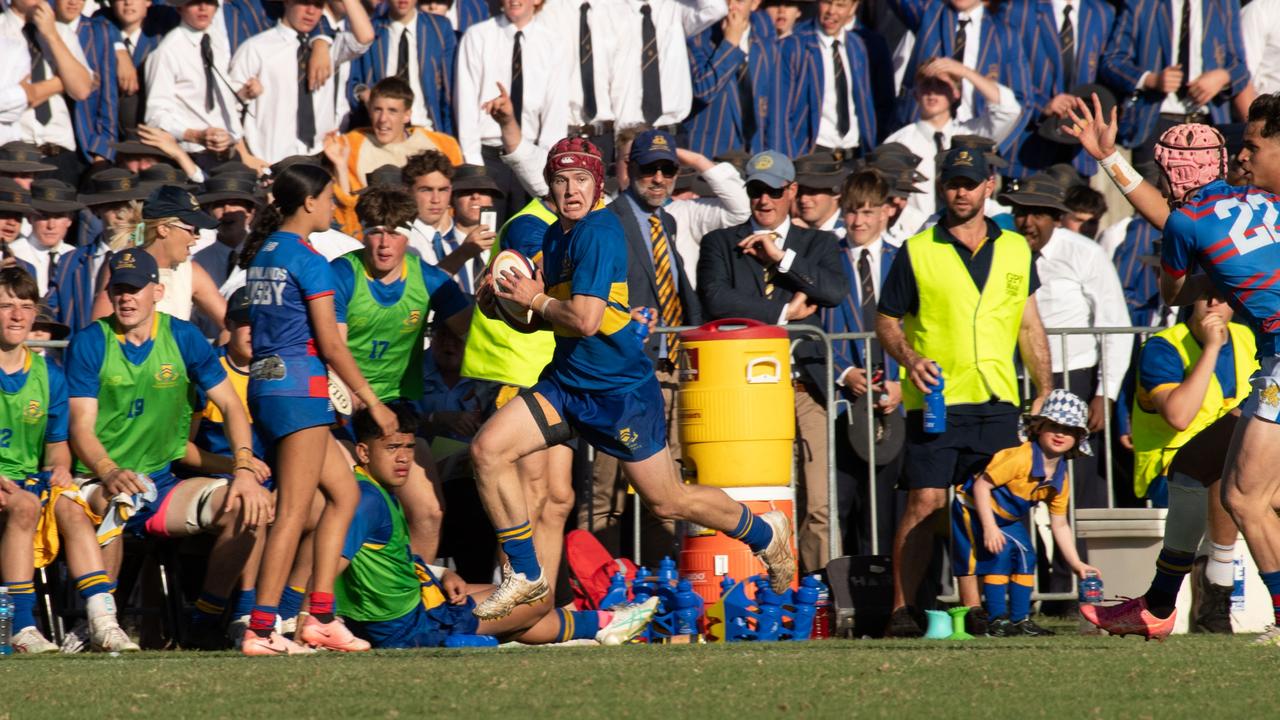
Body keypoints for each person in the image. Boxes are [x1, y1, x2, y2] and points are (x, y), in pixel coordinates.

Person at [473, 137, 796, 620]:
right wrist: (504, 307)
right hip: (567, 385)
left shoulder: (599, 232)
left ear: (598, 184)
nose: (570, 190)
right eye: (560, 180)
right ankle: (524, 571)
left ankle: (766, 532)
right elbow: (550, 319)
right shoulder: (556, 235)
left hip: (620, 393)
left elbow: (582, 319)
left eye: (581, 179)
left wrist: (532, 299)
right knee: (487, 450)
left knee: (668, 502)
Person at [1066, 96, 1280, 644]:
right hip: (1273, 363)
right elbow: (1180, 217)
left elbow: (1178, 278)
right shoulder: (1253, 198)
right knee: (1193, 466)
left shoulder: (1236, 203)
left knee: (1245, 499)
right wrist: (1111, 159)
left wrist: (1202, 276)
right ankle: (1159, 606)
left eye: (1252, 145)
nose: (1243, 154)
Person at [874, 146, 1052, 637]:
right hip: (937, 400)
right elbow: (886, 320)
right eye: (953, 181)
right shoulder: (917, 249)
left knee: (997, 507)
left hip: (997, 399)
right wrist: (909, 360)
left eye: (970, 182)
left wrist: (1045, 389)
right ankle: (902, 609)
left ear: (988, 186)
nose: (961, 191)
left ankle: (994, 612)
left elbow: (1030, 325)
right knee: (926, 502)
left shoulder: (1017, 248)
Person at [65, 247, 273, 649]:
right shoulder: (91, 342)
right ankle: (101, 623)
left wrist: (243, 469)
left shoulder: (182, 336)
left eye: (135, 288)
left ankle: (210, 618)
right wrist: (109, 471)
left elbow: (230, 405)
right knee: (115, 501)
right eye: (118, 289)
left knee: (250, 502)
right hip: (97, 479)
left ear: (157, 291)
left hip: (162, 485)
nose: (125, 297)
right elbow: (81, 429)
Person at [238, 161, 397, 655]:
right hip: (300, 392)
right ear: (308, 202)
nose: (334, 206)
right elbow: (331, 345)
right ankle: (261, 628)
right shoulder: (310, 260)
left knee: (345, 496)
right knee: (292, 512)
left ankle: (320, 617)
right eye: (330, 198)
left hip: (267, 388)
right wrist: (373, 403)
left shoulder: (264, 251)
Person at [336, 403, 660, 647]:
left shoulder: (372, 491)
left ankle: (604, 626)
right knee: (531, 601)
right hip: (414, 625)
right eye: (392, 448)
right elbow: (333, 562)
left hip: (416, 604)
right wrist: (315, 616)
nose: (404, 458)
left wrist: (442, 573)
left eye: (408, 447)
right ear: (363, 451)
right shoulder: (369, 501)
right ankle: (601, 624)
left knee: (510, 598)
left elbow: (389, 561)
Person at [698, 150, 848, 573]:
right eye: (755, 191)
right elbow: (715, 300)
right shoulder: (720, 243)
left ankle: (818, 600)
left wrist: (781, 259)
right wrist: (785, 315)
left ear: (792, 191)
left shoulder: (819, 244)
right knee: (752, 496)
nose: (764, 200)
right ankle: (759, 595)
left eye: (774, 191)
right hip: (744, 393)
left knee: (819, 501)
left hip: (806, 385)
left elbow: (835, 292)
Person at [1083, 292, 1257, 639]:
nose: (1212, 303)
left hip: (1239, 463)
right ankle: (1210, 604)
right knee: (1221, 471)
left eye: (1222, 296)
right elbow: (1179, 417)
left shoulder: (1248, 339)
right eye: (1203, 295)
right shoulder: (1163, 346)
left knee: (1232, 469)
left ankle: (1174, 602)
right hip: (1170, 470)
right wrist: (1210, 349)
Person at [332, 184, 472, 564]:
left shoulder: (427, 279)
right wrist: (359, 397)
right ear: (361, 231)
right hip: (341, 411)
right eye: (375, 230)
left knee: (429, 512)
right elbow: (335, 350)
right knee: (352, 509)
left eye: (394, 231)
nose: (384, 242)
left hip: (397, 413)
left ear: (408, 234)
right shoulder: (342, 275)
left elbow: (471, 331)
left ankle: (415, 601)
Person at [0, 267, 137, 654]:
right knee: (25, 506)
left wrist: (59, 468)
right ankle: (19, 627)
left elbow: (57, 445)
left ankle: (103, 622)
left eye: (26, 307)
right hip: (11, 489)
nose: (17, 316)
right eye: (6, 306)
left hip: (26, 483)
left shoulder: (48, 374)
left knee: (72, 505)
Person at [594, 128, 705, 562]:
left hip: (669, 370)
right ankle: (600, 590)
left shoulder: (669, 221)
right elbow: (593, 292)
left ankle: (659, 583)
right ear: (628, 169)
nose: (658, 178)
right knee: (606, 487)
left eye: (667, 170)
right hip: (622, 370)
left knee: (668, 486)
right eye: (648, 169)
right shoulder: (608, 219)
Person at [952, 389, 1101, 636]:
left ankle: (1021, 619)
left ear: (1077, 438)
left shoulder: (1061, 478)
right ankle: (997, 618)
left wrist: (1076, 563)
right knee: (998, 556)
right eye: (1054, 425)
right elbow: (981, 486)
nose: (1060, 433)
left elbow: (1060, 524)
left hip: (1006, 517)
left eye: (1069, 429)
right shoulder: (1020, 458)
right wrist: (989, 528)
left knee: (1026, 556)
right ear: (1039, 427)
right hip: (972, 507)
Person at [823, 168, 903, 557]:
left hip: (893, 406)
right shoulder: (828, 258)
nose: (859, 221)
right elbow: (816, 325)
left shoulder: (902, 259)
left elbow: (918, 327)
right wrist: (844, 371)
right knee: (842, 504)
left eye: (869, 212)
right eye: (853, 211)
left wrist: (901, 381)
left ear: (886, 212)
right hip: (842, 404)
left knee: (883, 512)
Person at [1098, 0, 1253, 168]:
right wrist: (1150, 80)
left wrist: (1222, 77)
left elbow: (1240, 66)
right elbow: (1112, 61)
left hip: (1207, 124)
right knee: (1155, 193)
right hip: (1156, 123)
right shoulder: (1141, 4)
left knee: (1206, 194)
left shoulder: (1224, 4)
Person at [456, 0, 567, 218]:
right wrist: (476, 170)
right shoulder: (478, 36)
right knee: (487, 238)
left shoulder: (553, 43)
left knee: (529, 240)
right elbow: (466, 105)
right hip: (489, 158)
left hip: (531, 157)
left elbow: (555, 111)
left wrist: (546, 168)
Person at [229, 0, 374, 164]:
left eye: (318, 5)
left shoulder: (329, 47)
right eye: (305, 2)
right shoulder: (256, 48)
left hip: (320, 156)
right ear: (287, 2)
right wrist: (245, 156)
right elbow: (229, 105)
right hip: (271, 158)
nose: (311, 11)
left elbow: (366, 37)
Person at [882, 57, 1022, 221]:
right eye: (926, 84)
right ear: (915, 93)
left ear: (956, 93)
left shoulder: (970, 136)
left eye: (941, 85)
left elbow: (1009, 110)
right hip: (914, 233)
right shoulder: (899, 142)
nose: (933, 92)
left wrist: (965, 72)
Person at [887, 0, 1030, 156]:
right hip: (922, 134)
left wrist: (993, 144)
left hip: (975, 132)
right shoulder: (931, 14)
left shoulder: (1004, 34)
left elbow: (1022, 100)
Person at [328, 78, 463, 236]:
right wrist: (340, 166)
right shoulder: (351, 146)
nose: (383, 119)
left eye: (392, 111)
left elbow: (454, 200)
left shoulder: (442, 145)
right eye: (378, 110)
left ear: (407, 115)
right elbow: (347, 211)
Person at [1001, 0, 1114, 177]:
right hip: (1029, 146)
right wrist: (1042, 105)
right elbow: (1002, 72)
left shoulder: (1102, 12)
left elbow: (1106, 71)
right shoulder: (1018, 10)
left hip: (1079, 150)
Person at [89, 186, 227, 329]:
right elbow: (99, 333)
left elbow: (231, 326)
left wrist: (218, 348)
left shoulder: (192, 273)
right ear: (163, 229)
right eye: (193, 230)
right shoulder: (123, 264)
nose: (196, 238)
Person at [144, 0, 257, 170]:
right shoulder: (167, 52)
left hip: (229, 153)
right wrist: (195, 135)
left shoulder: (216, 40)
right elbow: (155, 116)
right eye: (195, 2)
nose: (203, 8)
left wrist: (243, 94)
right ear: (180, 7)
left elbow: (219, 98)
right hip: (193, 157)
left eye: (210, 2)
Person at [1, 0, 94, 184]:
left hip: (58, 151)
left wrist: (51, 35)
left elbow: (82, 89)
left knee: (59, 212)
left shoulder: (61, 31)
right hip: (13, 155)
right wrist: (60, 82)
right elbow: (15, 97)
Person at [683, 0, 787, 158]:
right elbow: (704, 90)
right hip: (709, 155)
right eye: (725, 0)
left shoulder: (767, 48)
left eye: (739, 1)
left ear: (754, 4)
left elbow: (775, 113)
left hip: (753, 157)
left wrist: (776, 162)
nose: (731, 6)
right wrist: (730, 44)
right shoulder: (696, 41)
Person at [780, 0, 877, 158]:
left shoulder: (857, 46)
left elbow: (865, 104)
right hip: (813, 156)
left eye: (840, 5)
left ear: (852, 8)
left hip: (853, 155)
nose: (831, 11)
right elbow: (782, 112)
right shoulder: (796, 46)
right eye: (827, 2)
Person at [344, 0, 457, 136]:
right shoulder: (370, 29)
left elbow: (449, 89)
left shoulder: (439, 28)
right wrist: (365, 94)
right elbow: (353, 83)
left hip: (426, 128)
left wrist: (449, 137)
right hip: (382, 131)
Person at [402, 153, 498, 294]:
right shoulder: (400, 238)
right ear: (408, 192)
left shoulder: (450, 240)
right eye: (426, 190)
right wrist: (462, 254)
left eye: (443, 190)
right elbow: (419, 293)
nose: (436, 199)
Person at [12, 179, 81, 297]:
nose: (51, 226)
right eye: (44, 216)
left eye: (59, 216)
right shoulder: (13, 254)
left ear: (69, 220)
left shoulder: (77, 257)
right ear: (29, 218)